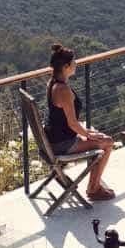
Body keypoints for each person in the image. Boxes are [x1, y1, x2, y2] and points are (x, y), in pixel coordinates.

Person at [46, 43, 115, 200]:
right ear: (66, 66)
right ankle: (94, 189)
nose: (76, 63)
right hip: (62, 143)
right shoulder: (63, 90)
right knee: (108, 142)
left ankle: (94, 184)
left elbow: (67, 121)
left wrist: (88, 133)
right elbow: (72, 124)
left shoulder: (52, 83)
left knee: (97, 136)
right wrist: (89, 135)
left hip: (53, 138)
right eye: (73, 61)